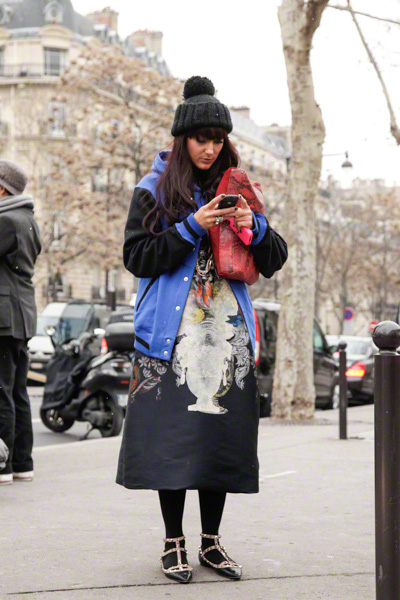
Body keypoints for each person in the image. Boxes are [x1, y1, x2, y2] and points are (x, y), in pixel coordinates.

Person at [117, 76, 288, 583]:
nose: (209, 149)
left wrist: (253, 225)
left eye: (217, 139)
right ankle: (173, 542)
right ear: (182, 139)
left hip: (228, 337)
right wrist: (193, 225)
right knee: (171, 444)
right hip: (169, 339)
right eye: (200, 138)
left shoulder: (237, 188)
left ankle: (211, 542)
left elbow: (275, 257)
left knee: (219, 442)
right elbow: (137, 257)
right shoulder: (153, 191)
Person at [0, 160, 41, 485]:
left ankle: (2, 465)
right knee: (17, 391)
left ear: (2, 189)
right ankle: (21, 463)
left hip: (5, 316)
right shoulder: (28, 219)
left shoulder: (6, 220)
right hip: (22, 315)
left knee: (2, 392)